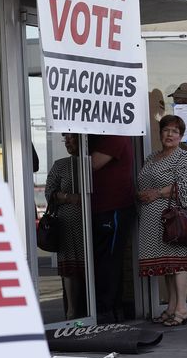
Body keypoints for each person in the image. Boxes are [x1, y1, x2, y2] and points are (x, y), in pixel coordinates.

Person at [137, 115, 187, 326]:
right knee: (167, 265)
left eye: (174, 131)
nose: (169, 134)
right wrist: (142, 194)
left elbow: (186, 187)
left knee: (178, 262)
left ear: (181, 135)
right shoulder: (152, 157)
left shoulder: (185, 158)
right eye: (166, 130)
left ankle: (182, 309)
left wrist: (156, 193)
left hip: (175, 219)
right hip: (152, 220)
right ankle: (171, 307)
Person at [90, 134, 135, 324]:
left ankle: (107, 310)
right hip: (104, 207)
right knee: (105, 258)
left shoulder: (116, 134)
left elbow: (94, 163)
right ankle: (111, 308)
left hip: (113, 207)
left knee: (109, 259)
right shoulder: (110, 136)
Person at [44, 133, 85, 319]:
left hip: (89, 223)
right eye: (65, 139)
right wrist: (69, 197)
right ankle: (71, 311)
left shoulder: (91, 162)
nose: (68, 142)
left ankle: (90, 310)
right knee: (69, 270)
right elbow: (49, 193)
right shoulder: (60, 165)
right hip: (67, 223)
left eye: (72, 138)